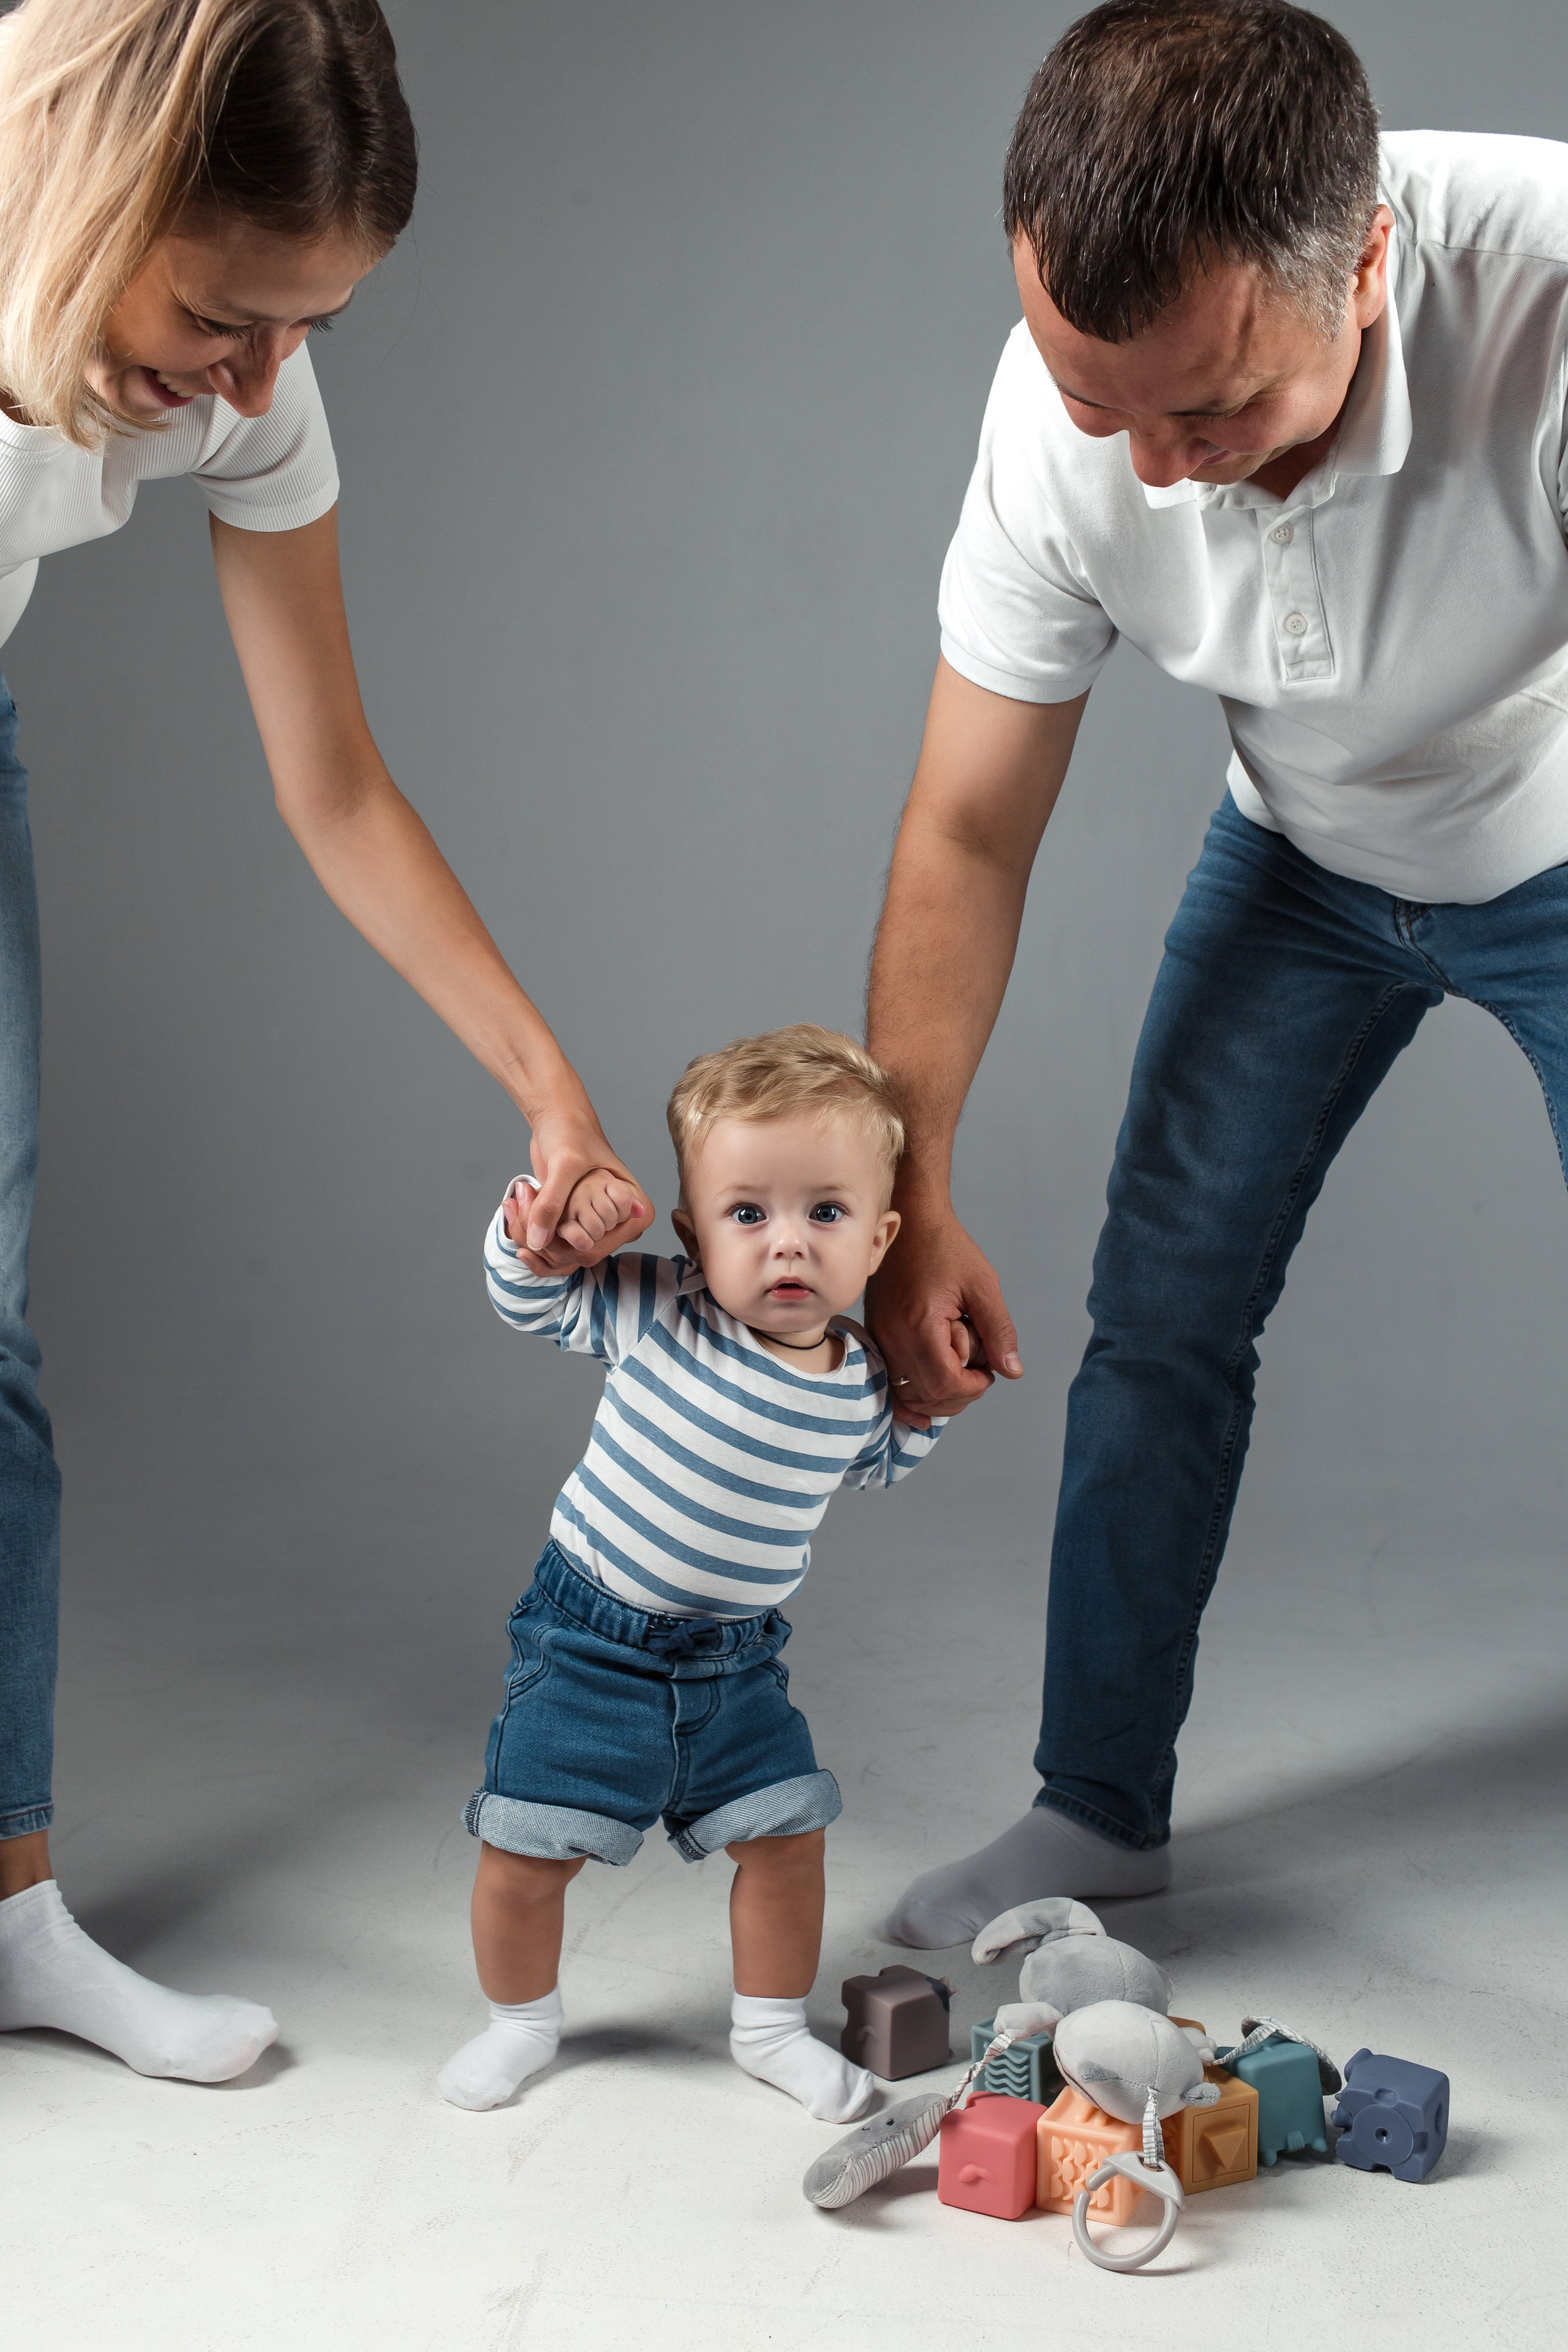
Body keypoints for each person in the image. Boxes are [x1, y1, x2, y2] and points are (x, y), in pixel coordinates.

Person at [867, 0, 1568, 1945]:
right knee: (1159, 1320)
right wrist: (906, 1200)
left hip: (1555, 843)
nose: (1160, 473)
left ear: (1365, 261)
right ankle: (1096, 1814)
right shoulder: (1061, 413)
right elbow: (966, 835)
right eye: (1109, 409)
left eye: (1216, 410)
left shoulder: (1555, 298)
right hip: (1299, 857)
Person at [0, 0, 648, 2083]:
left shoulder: (230, 390)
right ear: (91, 187)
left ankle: (6, 1911)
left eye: (313, 332)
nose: (257, 381)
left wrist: (545, 1085)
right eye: (222, 313)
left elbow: (338, 782)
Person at [438, 1026, 944, 2118]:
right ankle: (519, 2023)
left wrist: (942, 1395)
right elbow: (529, 1299)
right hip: (588, 1641)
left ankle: (768, 2030)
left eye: (827, 1213)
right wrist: (533, 1231)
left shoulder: (860, 1375)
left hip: (736, 1665)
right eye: (747, 1214)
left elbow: (885, 1460)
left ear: (881, 1238)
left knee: (790, 1838)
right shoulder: (661, 1306)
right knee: (527, 1853)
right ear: (693, 1233)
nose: (788, 1246)